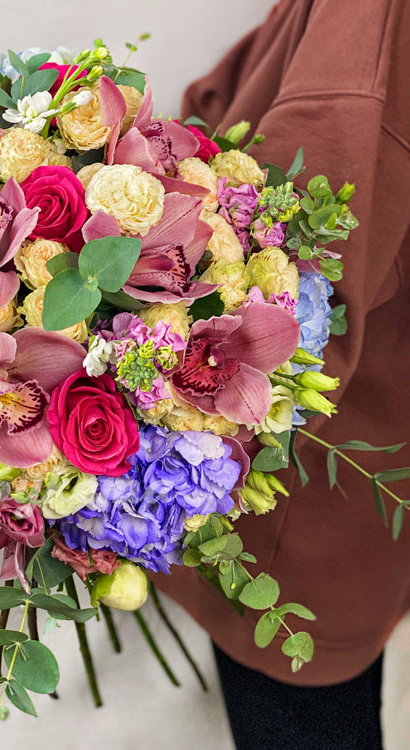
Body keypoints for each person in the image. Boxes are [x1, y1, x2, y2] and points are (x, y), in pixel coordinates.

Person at [153, 0, 410, 747]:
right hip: (349, 497)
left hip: (303, 521)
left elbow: (283, 314)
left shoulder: (371, 29)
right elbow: (213, 110)